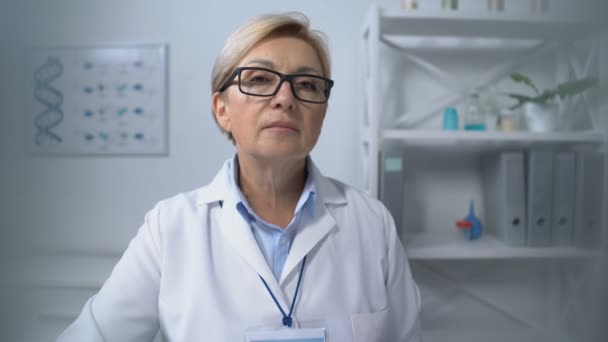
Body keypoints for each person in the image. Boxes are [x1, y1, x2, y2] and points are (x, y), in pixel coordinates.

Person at [58, 12, 421, 341]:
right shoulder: (169, 228)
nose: (285, 98)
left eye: (307, 84)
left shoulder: (372, 224)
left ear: (322, 112)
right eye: (260, 79)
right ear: (222, 110)